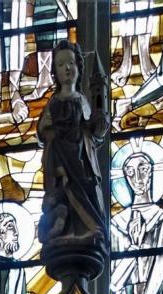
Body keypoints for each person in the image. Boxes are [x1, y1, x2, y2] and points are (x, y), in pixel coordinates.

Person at [37, 40, 109, 251]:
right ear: (55, 73)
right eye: (60, 65)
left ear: (79, 66)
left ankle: (90, 227)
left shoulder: (81, 99)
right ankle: (66, 229)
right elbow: (42, 129)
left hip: (80, 156)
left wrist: (99, 126)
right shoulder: (54, 101)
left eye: (71, 63)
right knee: (63, 190)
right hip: (60, 155)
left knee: (84, 186)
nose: (67, 68)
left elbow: (93, 128)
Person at [110, 149, 163, 294]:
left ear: (152, 172)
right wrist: (134, 246)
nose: (137, 177)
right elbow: (113, 281)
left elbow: (161, 262)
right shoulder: (116, 223)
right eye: (130, 172)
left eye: (142, 169)